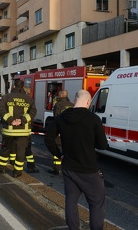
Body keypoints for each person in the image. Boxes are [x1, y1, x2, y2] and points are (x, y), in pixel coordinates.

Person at [45, 90, 108, 230]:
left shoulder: (61, 118)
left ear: (74, 101)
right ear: (88, 102)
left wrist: (58, 154)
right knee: (96, 203)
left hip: (69, 168)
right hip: (89, 170)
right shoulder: (93, 118)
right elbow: (103, 145)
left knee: (71, 201)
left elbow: (48, 138)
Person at [0, 79, 37, 178]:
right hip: (23, 131)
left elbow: (1, 110)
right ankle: (17, 172)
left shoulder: (6, 97)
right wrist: (22, 121)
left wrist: (11, 120)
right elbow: (33, 112)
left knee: (5, 149)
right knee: (21, 151)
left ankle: (1, 168)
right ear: (23, 86)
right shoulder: (28, 99)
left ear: (13, 86)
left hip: (9, 130)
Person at [49, 89, 74, 175]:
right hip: (71, 131)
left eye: (59, 94)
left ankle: (57, 168)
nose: (58, 95)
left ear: (62, 95)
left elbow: (56, 118)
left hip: (61, 131)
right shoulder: (72, 105)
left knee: (58, 148)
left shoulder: (58, 105)